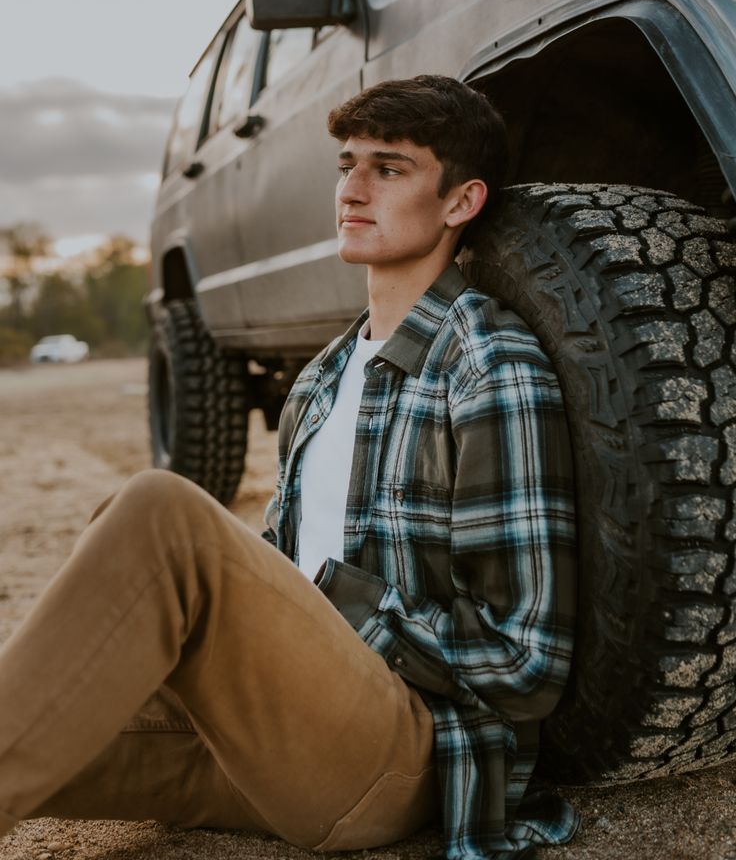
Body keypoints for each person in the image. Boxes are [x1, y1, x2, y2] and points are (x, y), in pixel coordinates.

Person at [0, 75, 578, 860]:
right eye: (347, 164)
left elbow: (527, 660)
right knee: (54, 705)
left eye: (390, 168)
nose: (352, 188)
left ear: (460, 202)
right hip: (273, 748)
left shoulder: (488, 367)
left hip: (401, 757)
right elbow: (278, 571)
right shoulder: (323, 378)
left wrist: (333, 608)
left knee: (161, 516)